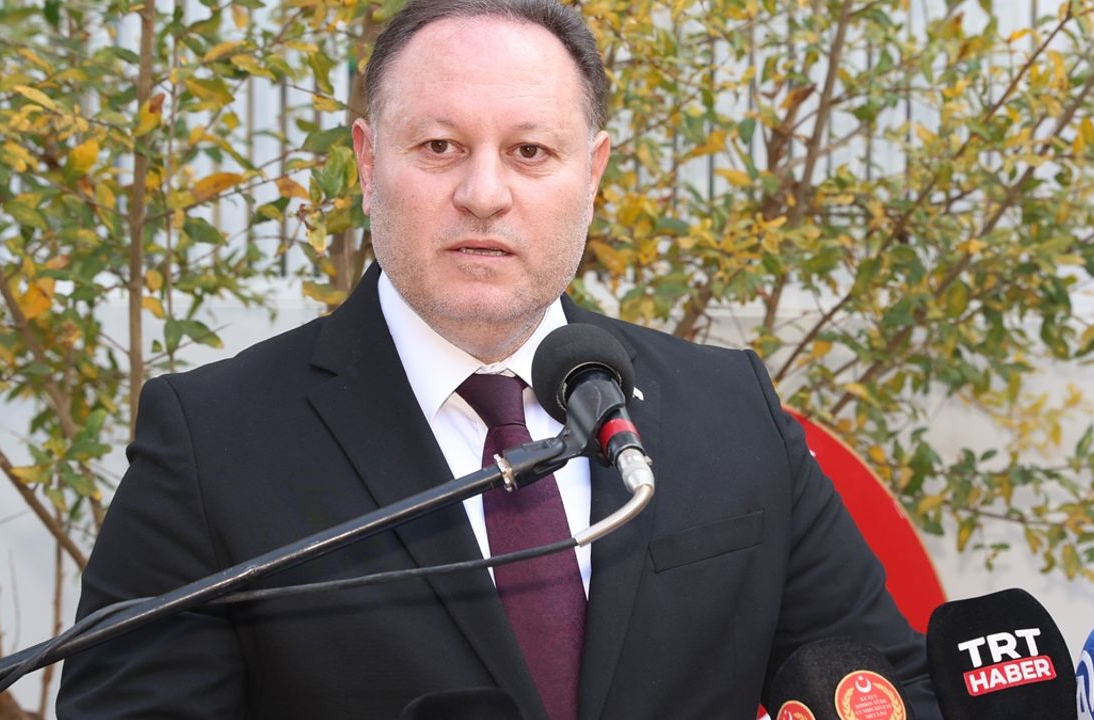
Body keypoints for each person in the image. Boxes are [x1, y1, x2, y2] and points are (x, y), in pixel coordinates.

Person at [58, 1, 942, 717]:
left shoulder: (730, 410)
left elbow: (889, 685)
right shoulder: (212, 443)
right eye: (439, 147)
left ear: (592, 173)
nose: (484, 194)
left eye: (530, 151)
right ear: (367, 160)